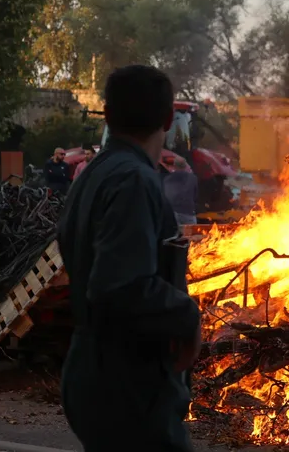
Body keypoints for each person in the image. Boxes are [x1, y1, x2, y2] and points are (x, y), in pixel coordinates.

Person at [58, 64, 201, 451]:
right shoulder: (134, 181)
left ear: (107, 115)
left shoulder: (93, 175)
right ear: (169, 119)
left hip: (92, 370)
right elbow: (121, 286)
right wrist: (187, 314)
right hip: (128, 383)